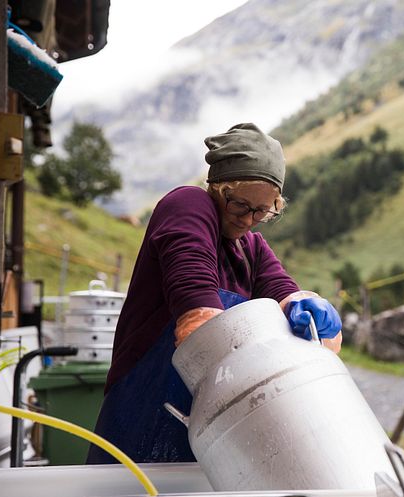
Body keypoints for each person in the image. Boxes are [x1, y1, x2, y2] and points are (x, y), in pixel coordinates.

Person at [87, 123, 342, 464]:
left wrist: (304, 306)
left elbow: (281, 288)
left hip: (206, 418)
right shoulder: (188, 205)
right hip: (143, 404)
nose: (250, 220)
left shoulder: (250, 247)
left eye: (264, 211)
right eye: (241, 206)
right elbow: (196, 303)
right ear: (218, 189)